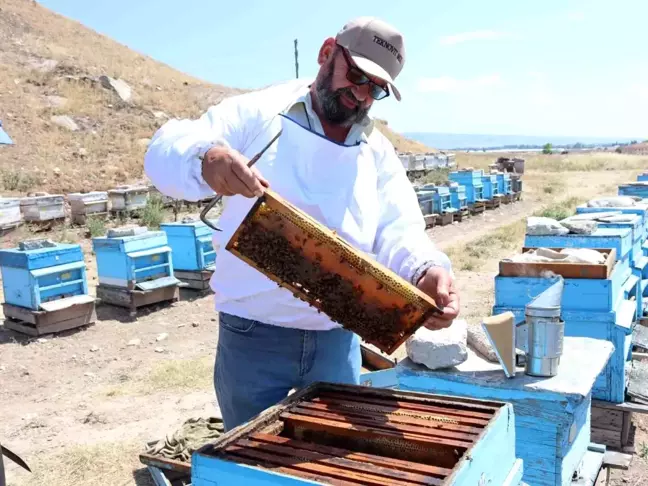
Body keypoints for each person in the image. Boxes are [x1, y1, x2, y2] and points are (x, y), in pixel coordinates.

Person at [144, 16, 460, 431]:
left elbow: (399, 229)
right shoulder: (257, 113)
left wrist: (426, 271)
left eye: (375, 89)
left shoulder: (378, 153)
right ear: (327, 53)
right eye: (357, 76)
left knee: (335, 460)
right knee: (249, 462)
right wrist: (205, 158)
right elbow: (165, 148)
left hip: (337, 340)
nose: (361, 96)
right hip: (252, 336)